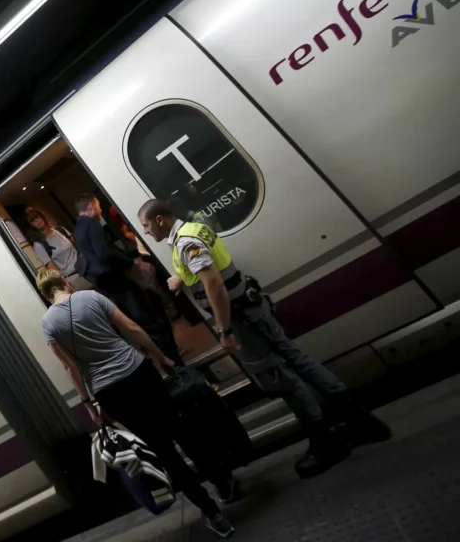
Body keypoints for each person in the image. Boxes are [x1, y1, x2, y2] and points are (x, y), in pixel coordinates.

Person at [137, 199, 392, 478]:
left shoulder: (185, 242)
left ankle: (325, 440)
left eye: (146, 225)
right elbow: (205, 266)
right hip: (251, 308)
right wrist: (181, 277)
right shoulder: (193, 230)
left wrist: (224, 331)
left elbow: (215, 285)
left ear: (160, 220)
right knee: (297, 360)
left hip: (242, 318)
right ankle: (360, 421)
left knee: (279, 375)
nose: (146, 232)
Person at [36, 268, 235, 538]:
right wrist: (161, 357)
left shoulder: (48, 324)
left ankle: (213, 514)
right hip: (139, 372)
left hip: (110, 392)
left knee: (164, 452)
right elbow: (132, 328)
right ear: (63, 282)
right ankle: (222, 482)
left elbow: (70, 367)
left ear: (46, 294)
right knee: (181, 430)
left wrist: (87, 403)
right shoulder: (91, 297)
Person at [73, 193, 183, 366]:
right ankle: (175, 363)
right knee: (153, 321)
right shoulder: (92, 225)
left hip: (109, 288)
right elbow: (105, 255)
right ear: (91, 207)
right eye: (98, 206)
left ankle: (166, 360)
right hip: (121, 282)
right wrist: (132, 263)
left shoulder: (78, 231)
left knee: (143, 324)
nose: (100, 211)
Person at [26, 209, 94, 291]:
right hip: (73, 278)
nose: (36, 220)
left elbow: (77, 246)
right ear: (31, 226)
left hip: (87, 269)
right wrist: (66, 286)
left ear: (42, 217)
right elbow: (53, 270)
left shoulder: (59, 230)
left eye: (37, 217)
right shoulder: (39, 245)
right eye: (33, 220)